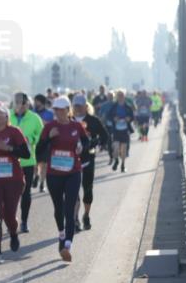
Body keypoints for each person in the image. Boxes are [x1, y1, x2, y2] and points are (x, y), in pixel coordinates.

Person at [37, 96, 88, 262]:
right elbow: (39, 150)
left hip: (73, 172)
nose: (58, 113)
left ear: (68, 110)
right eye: (56, 110)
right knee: (58, 208)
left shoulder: (76, 126)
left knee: (70, 208)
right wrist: (49, 137)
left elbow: (86, 142)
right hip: (54, 174)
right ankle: (61, 234)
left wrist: (82, 147)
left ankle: (67, 245)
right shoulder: (50, 127)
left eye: (61, 110)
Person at [0, 105, 31, 261]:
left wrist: (9, 148)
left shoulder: (14, 132)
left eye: (0, 114)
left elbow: (26, 153)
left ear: (6, 116)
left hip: (14, 180)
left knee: (10, 214)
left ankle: (13, 233)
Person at [71, 94, 108, 231]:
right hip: (72, 161)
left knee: (87, 190)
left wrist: (98, 144)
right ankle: (75, 219)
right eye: (75, 106)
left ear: (86, 107)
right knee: (73, 191)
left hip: (88, 159)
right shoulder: (68, 121)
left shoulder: (93, 121)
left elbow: (105, 136)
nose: (77, 108)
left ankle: (86, 215)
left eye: (80, 106)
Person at [9, 93, 43, 234]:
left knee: (26, 193)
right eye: (17, 102)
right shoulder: (8, 116)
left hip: (28, 161)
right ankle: (11, 220)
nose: (20, 105)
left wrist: (32, 139)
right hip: (9, 162)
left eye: (22, 102)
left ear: (27, 104)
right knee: (10, 194)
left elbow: (41, 136)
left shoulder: (35, 118)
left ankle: (24, 221)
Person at [108, 91, 135, 172]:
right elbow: (108, 116)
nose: (120, 97)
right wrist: (114, 118)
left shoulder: (128, 107)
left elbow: (132, 117)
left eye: (122, 96)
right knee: (115, 148)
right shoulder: (114, 106)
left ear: (124, 97)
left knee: (123, 149)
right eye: (119, 96)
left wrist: (129, 119)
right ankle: (116, 161)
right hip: (116, 130)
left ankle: (123, 165)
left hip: (125, 130)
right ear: (117, 97)